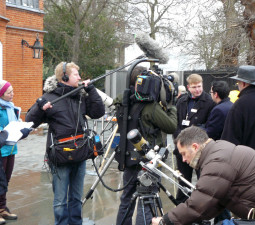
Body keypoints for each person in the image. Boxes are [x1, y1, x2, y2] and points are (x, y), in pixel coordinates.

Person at [152, 126, 255, 225]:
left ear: (195, 147)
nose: (183, 159)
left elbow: (198, 203)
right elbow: (214, 202)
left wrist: (165, 221)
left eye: (184, 153)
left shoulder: (216, 161)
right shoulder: (219, 149)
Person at [25, 62, 105, 225]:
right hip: (60, 157)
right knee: (60, 201)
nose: (80, 77)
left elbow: (98, 112)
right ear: (65, 77)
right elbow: (30, 122)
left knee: (76, 197)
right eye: (76, 74)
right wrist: (39, 107)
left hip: (80, 153)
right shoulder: (49, 97)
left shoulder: (81, 95)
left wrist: (92, 91)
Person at [115, 66, 177, 225]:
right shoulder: (150, 107)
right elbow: (171, 126)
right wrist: (171, 106)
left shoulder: (123, 100)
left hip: (128, 157)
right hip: (149, 159)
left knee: (127, 199)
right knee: (147, 201)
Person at [173, 73, 215, 203]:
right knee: (183, 181)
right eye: (194, 87)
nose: (197, 89)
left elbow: (210, 127)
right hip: (183, 150)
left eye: (199, 86)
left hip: (199, 150)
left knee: (202, 182)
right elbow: (176, 123)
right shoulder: (181, 101)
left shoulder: (209, 102)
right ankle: (181, 210)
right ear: (188, 87)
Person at [0, 80, 31, 224]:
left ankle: (2, 208)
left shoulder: (12, 108)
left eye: (12, 91)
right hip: (1, 150)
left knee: (5, 180)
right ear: (1, 94)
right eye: (9, 92)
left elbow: (15, 124)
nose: (12, 94)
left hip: (11, 148)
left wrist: (23, 130)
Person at [204, 80, 233, 223]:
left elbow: (210, 132)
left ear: (215, 94)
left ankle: (222, 221)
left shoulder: (218, 110)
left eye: (211, 92)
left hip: (220, 153)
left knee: (219, 194)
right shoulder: (231, 106)